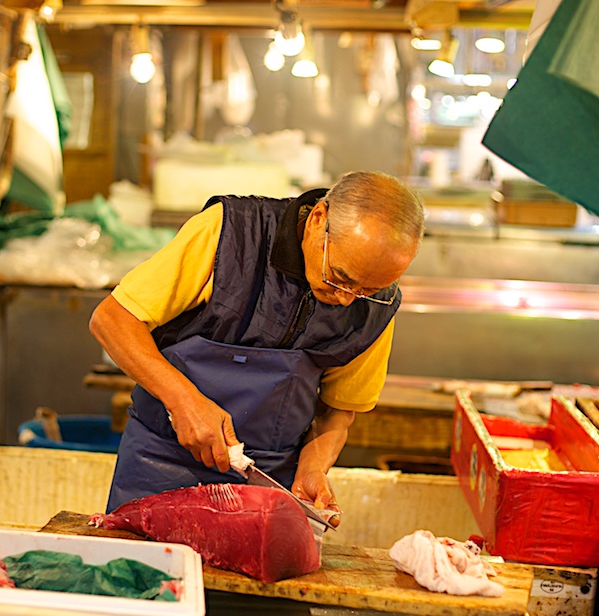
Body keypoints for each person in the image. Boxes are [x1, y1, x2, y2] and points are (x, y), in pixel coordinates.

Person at [90, 171, 425, 515]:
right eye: (339, 277)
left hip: (267, 480)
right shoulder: (228, 233)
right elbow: (113, 320)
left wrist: (313, 468)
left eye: (368, 291)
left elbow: (338, 410)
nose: (346, 300)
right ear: (318, 219)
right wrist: (183, 400)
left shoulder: (375, 305)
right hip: (160, 461)